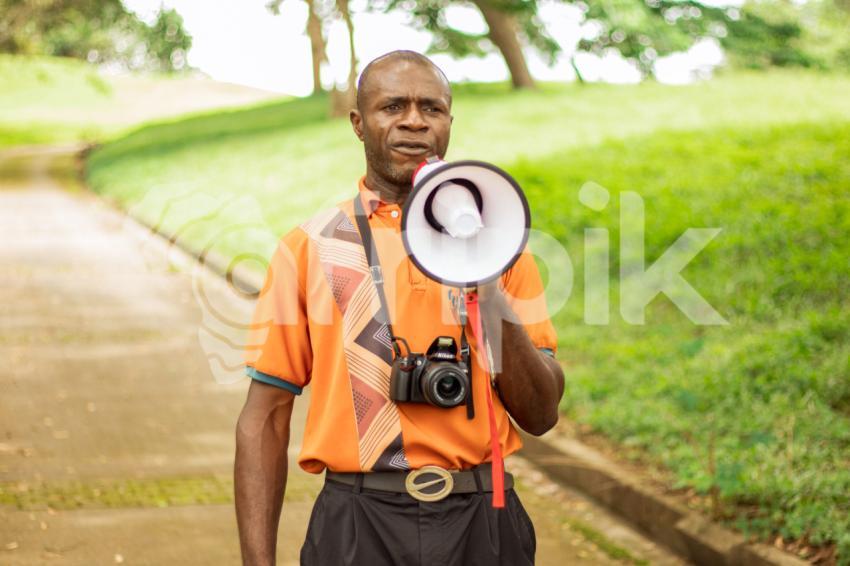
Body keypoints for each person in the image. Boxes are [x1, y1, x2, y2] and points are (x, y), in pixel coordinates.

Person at [234, 50, 565, 566]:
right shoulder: (308, 248)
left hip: (482, 517)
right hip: (356, 522)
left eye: (431, 108)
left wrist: (486, 284)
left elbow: (541, 414)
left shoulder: (499, 246)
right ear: (358, 123)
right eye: (393, 106)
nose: (414, 120)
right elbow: (265, 419)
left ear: (449, 122)